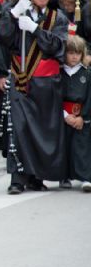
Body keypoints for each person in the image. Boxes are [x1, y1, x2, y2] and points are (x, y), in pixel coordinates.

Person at [0, 0, 68, 194]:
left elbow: (57, 47)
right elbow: (3, 39)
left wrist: (35, 30)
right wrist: (12, 15)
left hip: (47, 83)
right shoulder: (18, 13)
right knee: (18, 130)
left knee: (42, 131)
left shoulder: (59, 18)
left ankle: (36, 176)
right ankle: (17, 178)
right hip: (21, 81)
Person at [60, 35, 91, 192]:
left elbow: (90, 97)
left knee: (82, 146)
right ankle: (64, 176)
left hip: (81, 116)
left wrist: (83, 117)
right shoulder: (59, 73)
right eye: (70, 53)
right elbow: (54, 97)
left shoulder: (87, 73)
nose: (74, 56)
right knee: (63, 145)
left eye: (77, 53)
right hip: (63, 115)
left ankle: (86, 177)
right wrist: (65, 115)